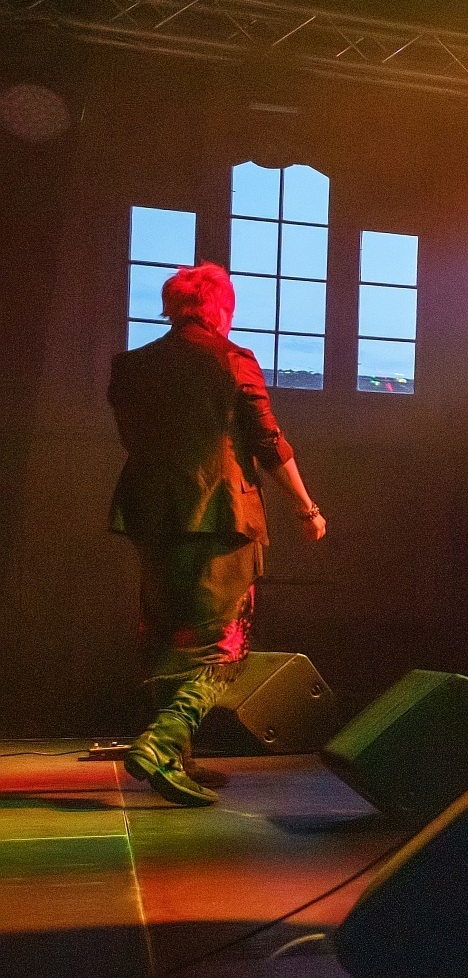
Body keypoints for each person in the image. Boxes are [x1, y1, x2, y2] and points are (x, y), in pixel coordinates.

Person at [108, 262, 327, 806]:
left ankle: (177, 761)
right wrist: (307, 508)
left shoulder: (131, 367)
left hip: (152, 517)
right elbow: (268, 441)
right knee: (225, 645)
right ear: (217, 307)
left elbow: (136, 439)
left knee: (168, 637)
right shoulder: (233, 360)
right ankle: (162, 742)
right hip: (222, 516)